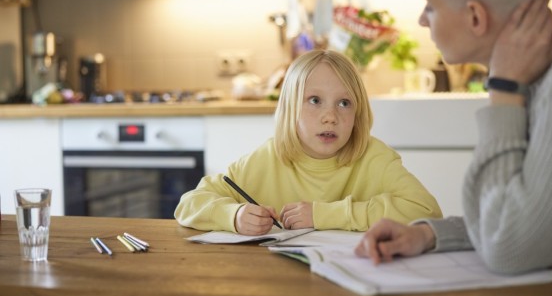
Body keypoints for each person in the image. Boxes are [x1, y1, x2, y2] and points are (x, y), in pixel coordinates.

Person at [354, 0, 552, 296]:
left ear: (475, 16)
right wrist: (430, 235)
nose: (421, 19)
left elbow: (509, 248)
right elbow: (531, 216)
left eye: (428, 5)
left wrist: (503, 90)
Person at [175, 49, 442, 235]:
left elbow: (427, 212)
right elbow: (189, 204)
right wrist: (233, 216)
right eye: (315, 101)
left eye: (344, 103)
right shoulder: (267, 158)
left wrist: (323, 215)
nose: (330, 117)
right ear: (290, 107)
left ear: (358, 112)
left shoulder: (374, 157)